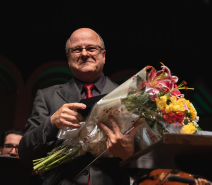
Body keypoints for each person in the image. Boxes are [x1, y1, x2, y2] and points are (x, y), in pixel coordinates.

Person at [19, 28, 140, 185]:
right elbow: (25, 155)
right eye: (77, 49)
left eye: (91, 48)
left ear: (103, 55)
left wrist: (129, 153)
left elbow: (145, 166)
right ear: (69, 58)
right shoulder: (47, 96)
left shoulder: (129, 97)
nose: (84, 54)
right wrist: (52, 123)